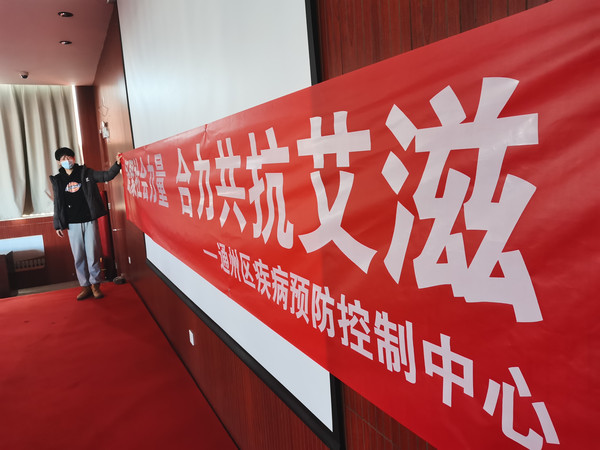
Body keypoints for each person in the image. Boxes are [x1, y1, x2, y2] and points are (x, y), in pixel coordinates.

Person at [50, 147, 123, 300]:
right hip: (72, 224)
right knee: (79, 256)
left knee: (93, 253)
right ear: (59, 162)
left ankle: (95, 285)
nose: (67, 160)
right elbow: (57, 203)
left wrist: (117, 164)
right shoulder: (58, 180)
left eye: (69, 157)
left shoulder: (86, 173)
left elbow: (107, 175)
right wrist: (57, 224)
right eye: (63, 159)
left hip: (89, 220)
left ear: (74, 158)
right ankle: (85, 286)